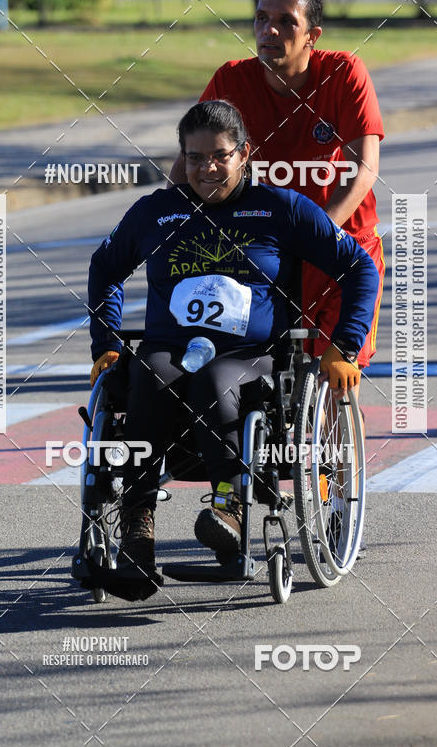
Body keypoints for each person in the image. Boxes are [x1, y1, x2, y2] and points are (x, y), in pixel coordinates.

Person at [88, 100, 379, 578]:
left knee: (216, 379)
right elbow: (105, 269)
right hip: (171, 348)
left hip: (251, 355)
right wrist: (107, 343)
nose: (207, 168)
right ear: (181, 159)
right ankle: (138, 526)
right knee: (149, 376)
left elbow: (358, 267)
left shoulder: (280, 208)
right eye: (195, 157)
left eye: (220, 155)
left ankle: (230, 510)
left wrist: (344, 347)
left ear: (244, 153)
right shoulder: (155, 213)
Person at [168, 0, 385, 383]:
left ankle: (336, 436)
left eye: (286, 21)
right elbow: (189, 162)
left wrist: (316, 234)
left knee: (335, 379)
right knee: (262, 378)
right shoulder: (231, 79)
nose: (270, 30)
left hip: (341, 248)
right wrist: (169, 221)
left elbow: (364, 169)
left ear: (311, 36)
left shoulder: (344, 73)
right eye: (262, 19)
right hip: (266, 254)